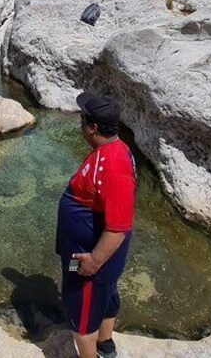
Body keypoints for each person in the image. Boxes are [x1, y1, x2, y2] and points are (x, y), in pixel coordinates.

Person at [55, 93, 137, 358]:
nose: (80, 123)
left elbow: (119, 226)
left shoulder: (114, 166)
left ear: (92, 128)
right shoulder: (107, 151)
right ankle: (105, 343)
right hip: (81, 250)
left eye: (82, 119)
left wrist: (94, 261)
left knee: (82, 321)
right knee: (105, 293)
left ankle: (94, 344)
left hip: (90, 258)